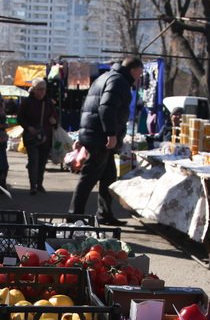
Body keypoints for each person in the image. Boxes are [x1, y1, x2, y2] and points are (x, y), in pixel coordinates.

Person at [69, 56, 144, 225]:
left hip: (95, 134)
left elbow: (90, 107)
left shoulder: (106, 77)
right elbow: (106, 108)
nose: (140, 76)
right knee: (89, 177)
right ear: (133, 70)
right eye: (140, 72)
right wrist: (111, 134)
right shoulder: (119, 81)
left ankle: (104, 214)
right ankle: (74, 216)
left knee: (108, 176)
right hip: (100, 138)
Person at [18, 77, 59, 194]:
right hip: (31, 137)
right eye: (39, 89)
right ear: (33, 89)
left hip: (46, 137)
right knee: (33, 162)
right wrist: (28, 127)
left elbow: (56, 116)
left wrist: (54, 121)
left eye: (44, 89)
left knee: (42, 163)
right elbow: (20, 118)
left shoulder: (49, 103)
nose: (42, 92)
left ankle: (39, 184)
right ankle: (33, 186)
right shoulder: (27, 102)